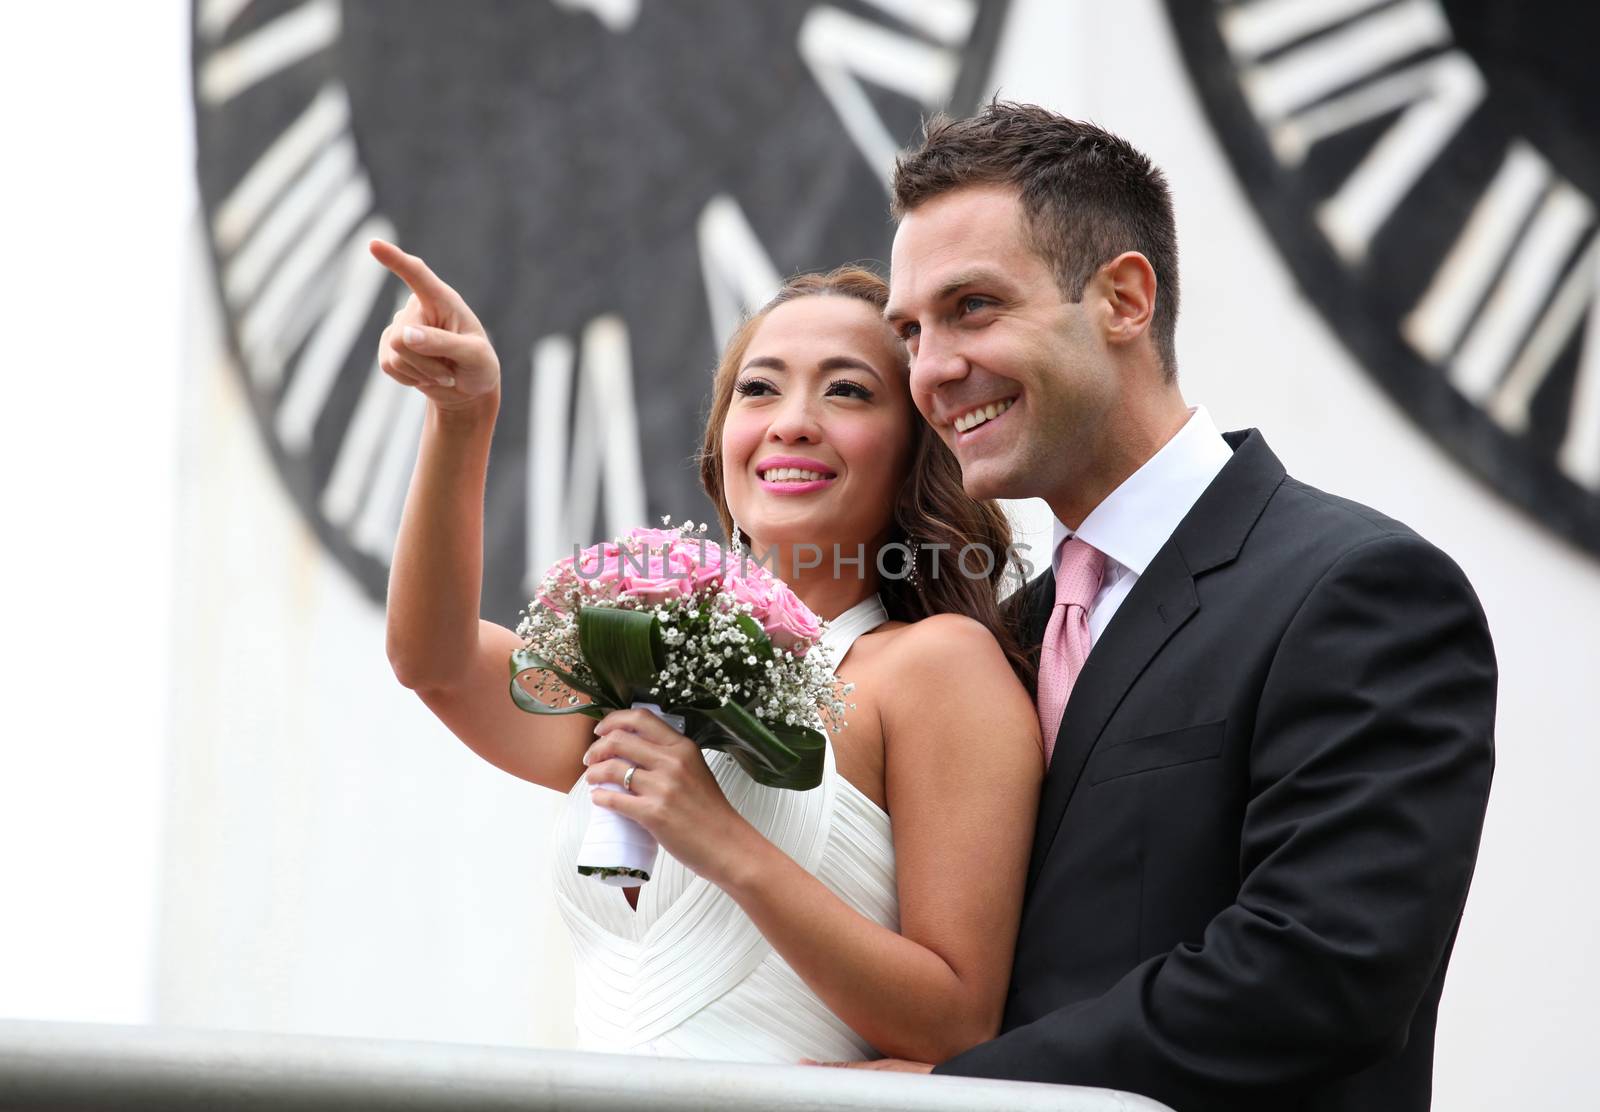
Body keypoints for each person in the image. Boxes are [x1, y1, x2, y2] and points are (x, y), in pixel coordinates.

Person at [835, 103, 1498, 1110]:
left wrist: (960, 1090)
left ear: (1124, 297)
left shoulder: (1359, 590)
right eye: (911, 331)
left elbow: (1318, 974)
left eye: (971, 307)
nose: (929, 371)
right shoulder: (1005, 640)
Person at [374, 240, 1044, 1064]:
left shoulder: (936, 666)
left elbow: (959, 1024)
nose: (793, 422)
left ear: (914, 451)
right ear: (723, 439)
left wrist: (720, 839)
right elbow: (431, 661)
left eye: (847, 391)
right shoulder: (647, 667)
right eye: (759, 389)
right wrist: (462, 417)